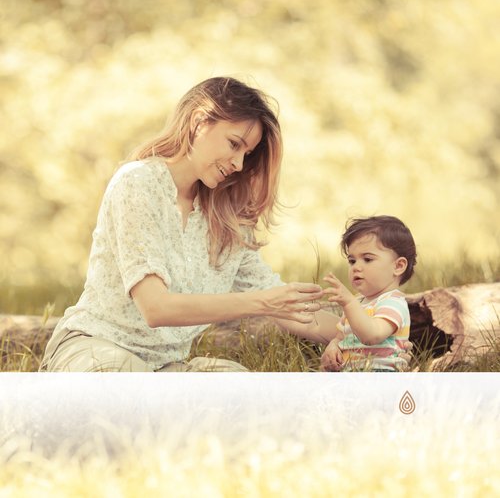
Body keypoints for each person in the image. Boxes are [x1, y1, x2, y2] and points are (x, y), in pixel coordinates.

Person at [40, 76, 342, 372]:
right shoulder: (138, 183)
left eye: (246, 154)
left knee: (239, 388)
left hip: (163, 367)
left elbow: (291, 311)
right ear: (199, 122)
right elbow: (155, 308)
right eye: (234, 144)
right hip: (93, 348)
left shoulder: (228, 221)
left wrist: (364, 334)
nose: (238, 164)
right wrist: (262, 303)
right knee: (130, 386)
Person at [320, 215, 417, 372]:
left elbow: (372, 336)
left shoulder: (393, 303)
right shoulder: (358, 303)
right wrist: (333, 347)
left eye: (367, 259)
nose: (356, 267)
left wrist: (349, 303)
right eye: (352, 261)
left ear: (398, 266)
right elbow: (340, 337)